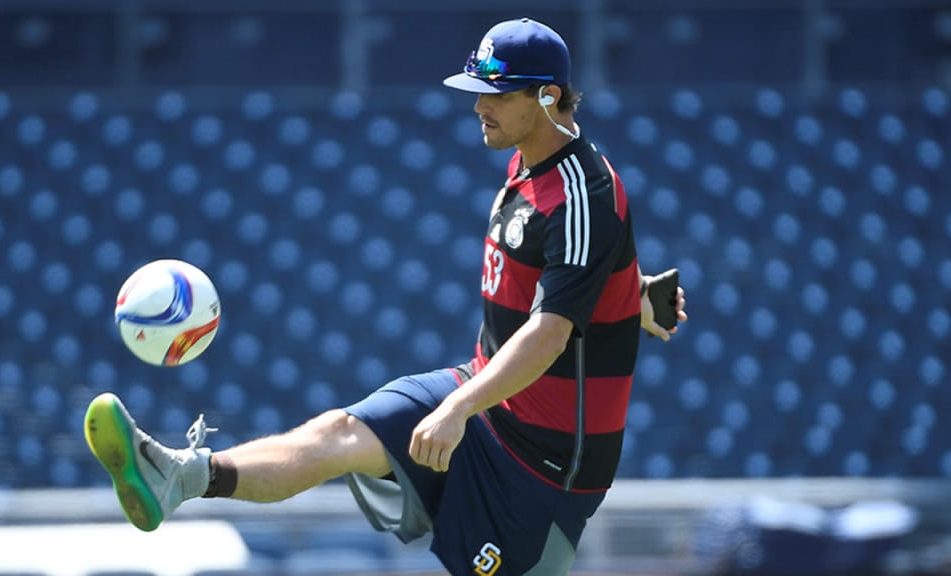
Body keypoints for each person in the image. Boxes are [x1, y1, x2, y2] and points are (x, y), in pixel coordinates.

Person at [84, 17, 687, 576]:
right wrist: (626, 293)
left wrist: (457, 410)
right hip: (485, 395)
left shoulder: (584, 192)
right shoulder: (530, 162)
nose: (479, 107)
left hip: (545, 468)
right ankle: (179, 477)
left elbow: (550, 332)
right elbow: (569, 273)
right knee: (338, 434)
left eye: (496, 95)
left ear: (548, 97)